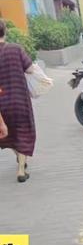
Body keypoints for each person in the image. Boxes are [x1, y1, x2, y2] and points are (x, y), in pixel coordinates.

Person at [0, 19, 35, 182]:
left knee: (9, 134)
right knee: (23, 131)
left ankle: (19, 159)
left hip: (2, 104)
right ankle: (21, 169)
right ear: (5, 31)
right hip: (19, 99)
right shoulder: (15, 49)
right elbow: (30, 69)